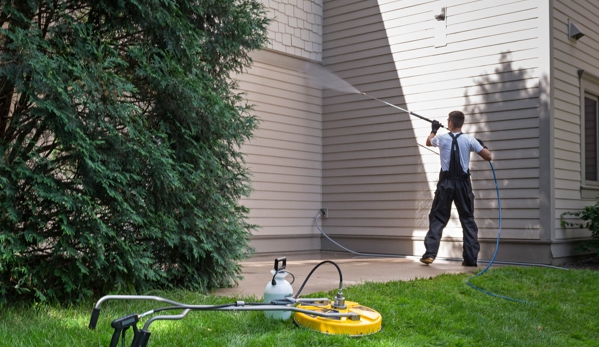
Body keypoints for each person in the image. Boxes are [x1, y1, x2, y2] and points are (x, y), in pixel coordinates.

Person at [419, 110, 492, 267]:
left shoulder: (441, 138)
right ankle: (470, 259)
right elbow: (488, 156)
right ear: (462, 123)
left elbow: (428, 141)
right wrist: (481, 145)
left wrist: (434, 129)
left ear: (450, 123)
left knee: (438, 217)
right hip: (463, 185)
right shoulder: (469, 140)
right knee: (467, 219)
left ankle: (430, 254)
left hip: (445, 184)